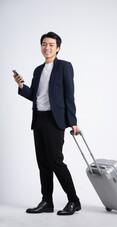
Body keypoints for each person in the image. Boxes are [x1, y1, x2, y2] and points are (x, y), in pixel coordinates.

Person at [13, 31, 81, 216]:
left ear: (57, 48)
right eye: (44, 44)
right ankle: (47, 202)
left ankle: (74, 201)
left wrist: (73, 122)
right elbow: (34, 95)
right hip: (39, 119)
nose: (47, 47)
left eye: (51, 44)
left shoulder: (64, 67)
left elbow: (69, 95)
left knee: (56, 161)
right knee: (43, 163)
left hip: (54, 120)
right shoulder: (37, 70)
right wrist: (21, 86)